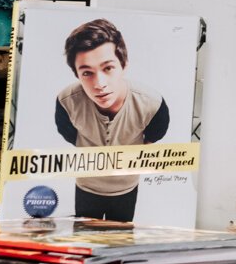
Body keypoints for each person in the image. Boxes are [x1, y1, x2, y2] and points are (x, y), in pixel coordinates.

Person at [55, 17, 170, 221]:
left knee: (120, 243)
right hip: (86, 186)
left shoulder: (152, 103)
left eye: (108, 68)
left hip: (126, 187)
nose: (99, 83)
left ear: (123, 65)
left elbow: (155, 136)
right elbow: (68, 134)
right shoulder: (66, 101)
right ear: (76, 75)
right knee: (86, 243)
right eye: (87, 73)